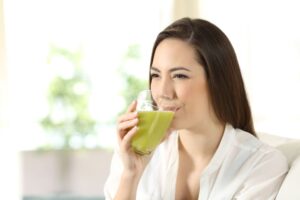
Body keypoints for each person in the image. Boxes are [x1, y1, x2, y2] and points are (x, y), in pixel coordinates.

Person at [104, 17, 288, 200]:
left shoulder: (261, 164)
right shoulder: (134, 153)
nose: (163, 92)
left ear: (218, 82)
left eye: (180, 76)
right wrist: (131, 175)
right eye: (156, 75)